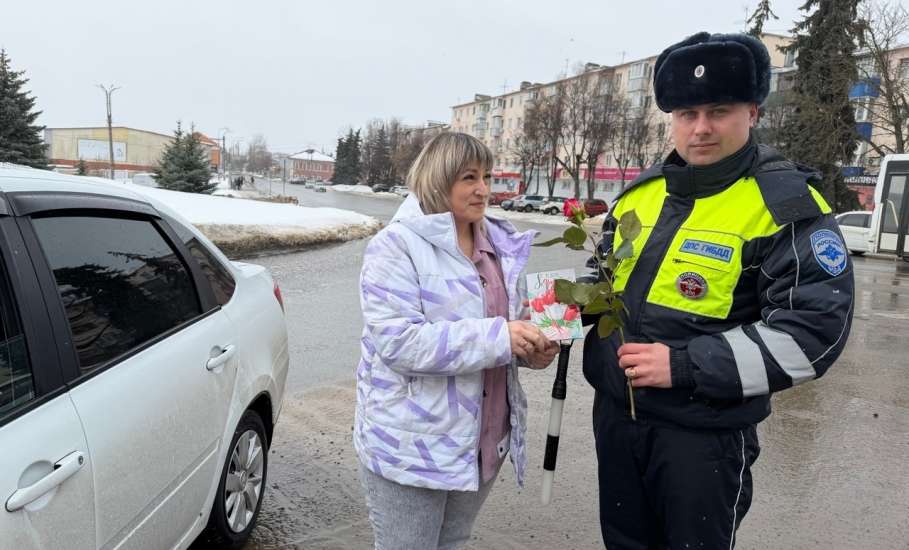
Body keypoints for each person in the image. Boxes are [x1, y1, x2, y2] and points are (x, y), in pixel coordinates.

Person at [583, 32, 855, 549]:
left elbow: (811, 334)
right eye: (687, 114)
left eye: (718, 111)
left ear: (752, 112)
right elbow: (602, 278)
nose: (701, 128)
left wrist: (684, 365)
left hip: (701, 436)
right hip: (618, 419)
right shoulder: (642, 193)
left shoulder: (785, 205)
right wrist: (562, 312)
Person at [355, 132, 559, 549]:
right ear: (438, 179)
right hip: (413, 445)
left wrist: (530, 347)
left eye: (487, 176)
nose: (483, 189)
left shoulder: (497, 243)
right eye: (469, 177)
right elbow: (399, 343)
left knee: (453, 542)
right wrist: (502, 336)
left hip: (481, 439)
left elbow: (508, 321)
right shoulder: (396, 246)